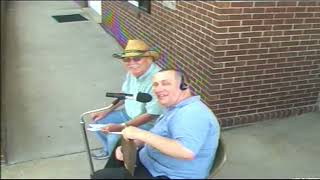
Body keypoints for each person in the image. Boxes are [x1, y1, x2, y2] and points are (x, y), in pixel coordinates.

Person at [93, 69, 221, 179]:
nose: (158, 89)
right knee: (119, 146)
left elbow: (186, 151)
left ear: (184, 86)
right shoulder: (174, 108)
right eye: (155, 84)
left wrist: (141, 134)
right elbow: (161, 135)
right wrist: (136, 143)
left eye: (165, 83)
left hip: (167, 175)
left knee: (101, 176)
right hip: (152, 163)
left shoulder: (192, 113)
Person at [90, 39, 163, 160]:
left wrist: (122, 126)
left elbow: (152, 115)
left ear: (149, 59)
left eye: (136, 58)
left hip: (148, 124)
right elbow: (124, 95)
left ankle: (116, 164)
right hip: (128, 114)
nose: (131, 63)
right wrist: (106, 111)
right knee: (98, 121)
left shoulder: (158, 80)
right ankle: (109, 151)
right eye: (127, 59)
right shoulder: (132, 72)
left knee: (115, 137)